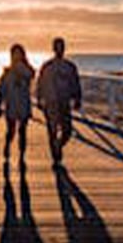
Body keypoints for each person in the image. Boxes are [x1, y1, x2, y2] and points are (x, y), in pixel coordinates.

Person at [37, 37, 81, 165]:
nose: (59, 49)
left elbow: (75, 83)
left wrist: (77, 98)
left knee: (67, 130)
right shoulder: (47, 66)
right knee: (52, 130)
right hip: (51, 102)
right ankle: (56, 158)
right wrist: (39, 98)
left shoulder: (70, 66)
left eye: (62, 47)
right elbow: (40, 83)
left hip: (64, 102)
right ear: (53, 48)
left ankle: (58, 145)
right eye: (57, 47)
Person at [0, 43, 34, 163]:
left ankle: (22, 155)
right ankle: (7, 145)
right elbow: (2, 89)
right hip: (11, 104)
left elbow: (31, 75)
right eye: (14, 54)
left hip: (23, 104)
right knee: (11, 130)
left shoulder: (27, 69)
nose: (16, 56)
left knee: (23, 131)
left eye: (19, 54)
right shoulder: (7, 72)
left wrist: (20, 69)